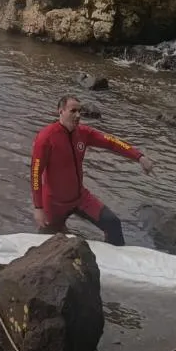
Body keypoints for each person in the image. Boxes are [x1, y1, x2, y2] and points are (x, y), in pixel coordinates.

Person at [30, 94, 154, 246]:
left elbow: (112, 142)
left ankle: (115, 264)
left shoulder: (83, 133)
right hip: (54, 205)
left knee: (113, 223)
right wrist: (38, 207)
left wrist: (139, 157)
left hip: (80, 198)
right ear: (60, 111)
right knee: (45, 243)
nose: (78, 115)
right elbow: (35, 174)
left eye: (80, 111)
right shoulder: (46, 138)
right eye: (73, 111)